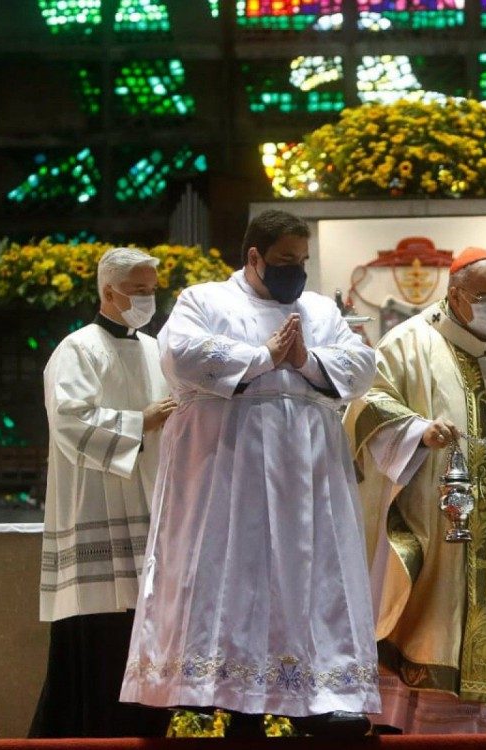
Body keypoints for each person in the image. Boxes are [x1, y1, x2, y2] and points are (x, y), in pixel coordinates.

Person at [120, 210, 380, 738]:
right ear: (254, 256)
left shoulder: (319, 310)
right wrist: (263, 355)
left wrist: (306, 360)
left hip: (306, 473)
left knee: (310, 574)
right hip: (225, 470)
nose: (296, 271)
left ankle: (320, 693)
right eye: (285, 260)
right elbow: (181, 356)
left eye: (303, 261)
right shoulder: (206, 300)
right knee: (222, 573)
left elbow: (360, 367)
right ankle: (205, 694)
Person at [345, 248, 486, 734]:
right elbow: (367, 403)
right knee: (431, 632)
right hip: (438, 525)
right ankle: (426, 731)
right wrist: (417, 432)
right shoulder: (409, 344)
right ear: (455, 296)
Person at [32, 247, 174, 737]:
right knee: (101, 647)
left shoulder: (157, 350)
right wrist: (141, 422)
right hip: (97, 499)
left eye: (153, 290)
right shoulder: (77, 349)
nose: (148, 299)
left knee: (147, 634)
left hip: (152, 502)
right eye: (138, 290)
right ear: (108, 290)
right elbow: (69, 421)